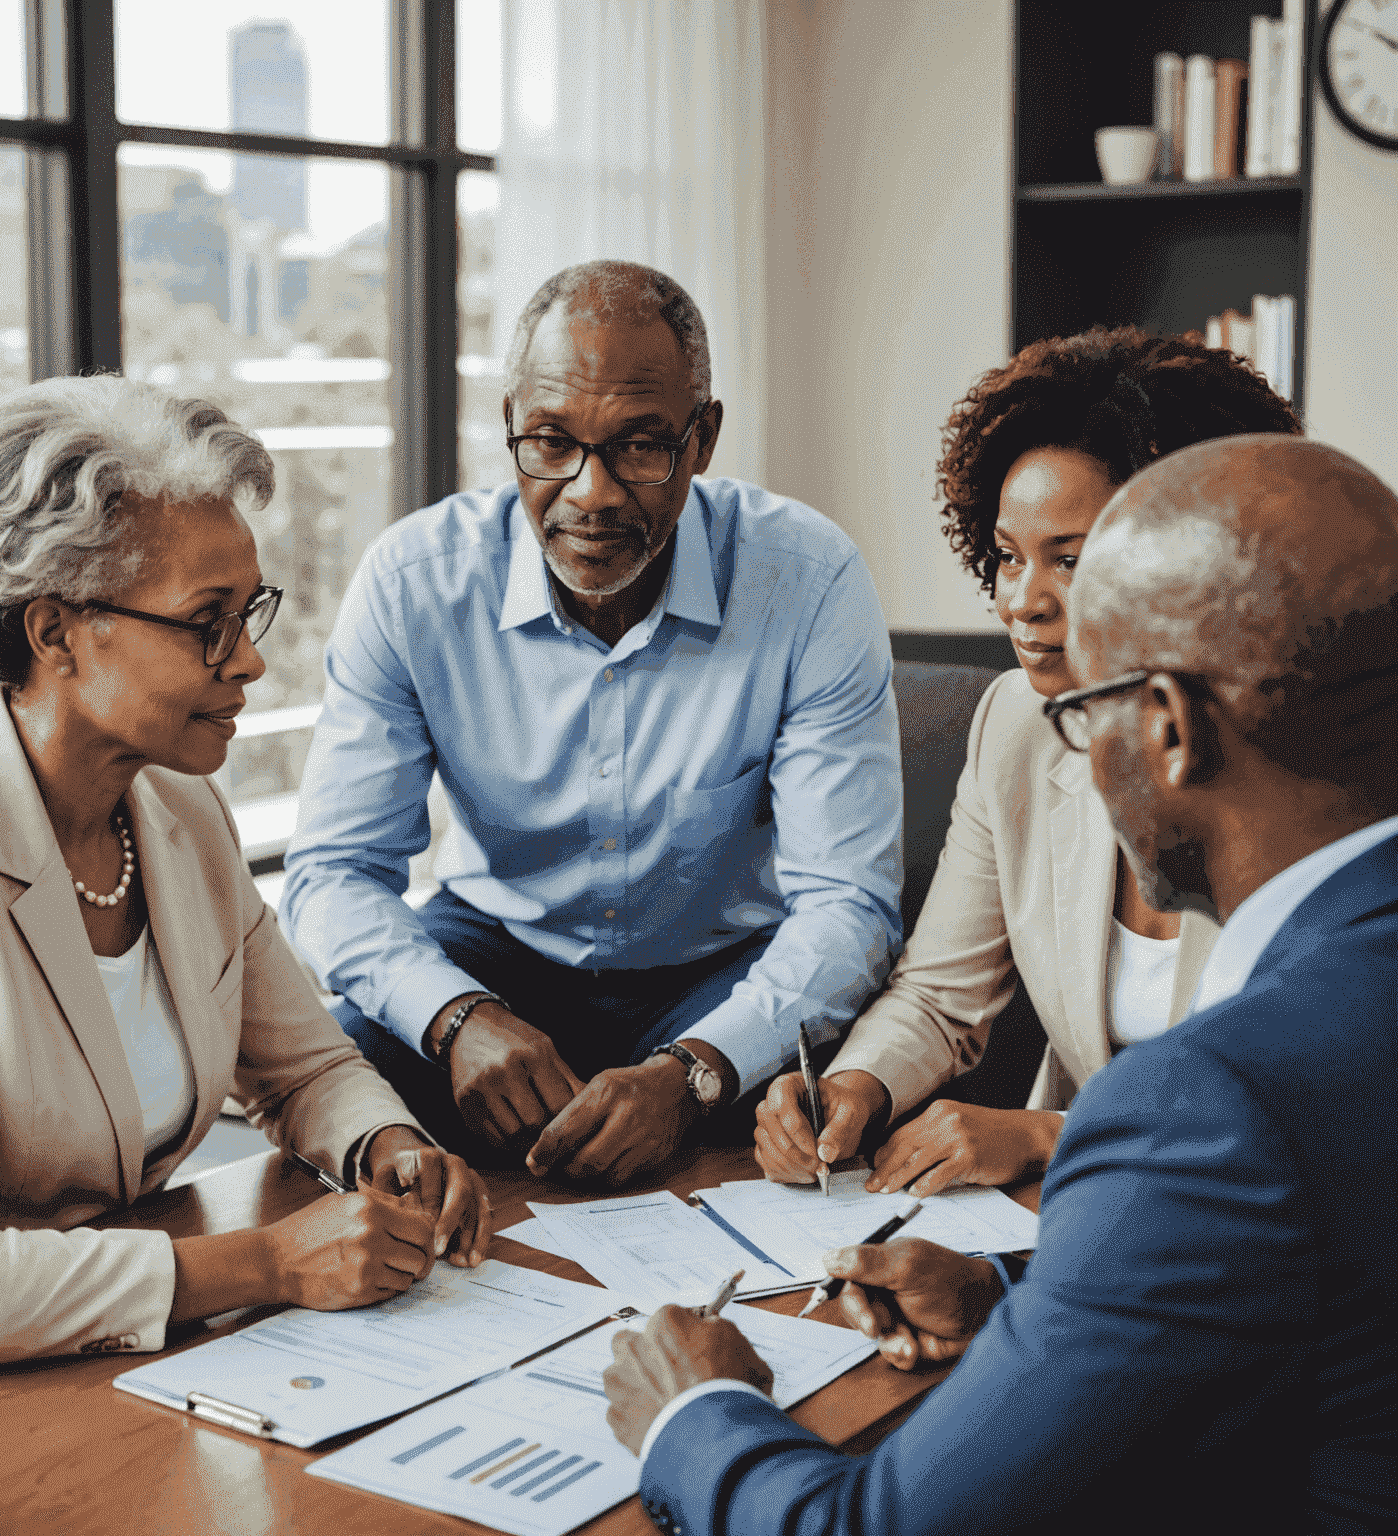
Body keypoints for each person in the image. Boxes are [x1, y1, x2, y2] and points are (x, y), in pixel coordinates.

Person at [602, 434, 1398, 1534]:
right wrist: (1016, 1303)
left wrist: (693, 1411)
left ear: (1168, 727)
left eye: (1090, 711)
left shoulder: (1209, 1105)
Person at [0, 378, 491, 1385]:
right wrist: (271, 1262)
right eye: (209, 621)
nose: (249, 663)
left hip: (127, 1368)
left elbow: (305, 1071)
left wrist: (383, 1147)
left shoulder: (180, 811)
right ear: (55, 631)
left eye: (252, 614)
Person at [281, 260, 902, 1185]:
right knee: (332, 1078)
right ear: (509, 430)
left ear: (703, 440)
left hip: (717, 967)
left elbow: (847, 903)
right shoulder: (415, 583)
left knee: (826, 1099)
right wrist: (456, 1016)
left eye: (640, 446)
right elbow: (332, 874)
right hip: (493, 953)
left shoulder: (806, 579)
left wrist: (696, 1072)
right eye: (551, 442)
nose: (591, 492)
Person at [754, 328, 1301, 1198]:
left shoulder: (1291, 772)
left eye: (1070, 560)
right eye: (1007, 556)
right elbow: (939, 996)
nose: (1021, 600)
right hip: (1064, 1217)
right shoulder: (1016, 724)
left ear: (1189, 552)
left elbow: (1308, 1100)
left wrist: (1049, 1132)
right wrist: (855, 1086)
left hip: (1258, 1219)